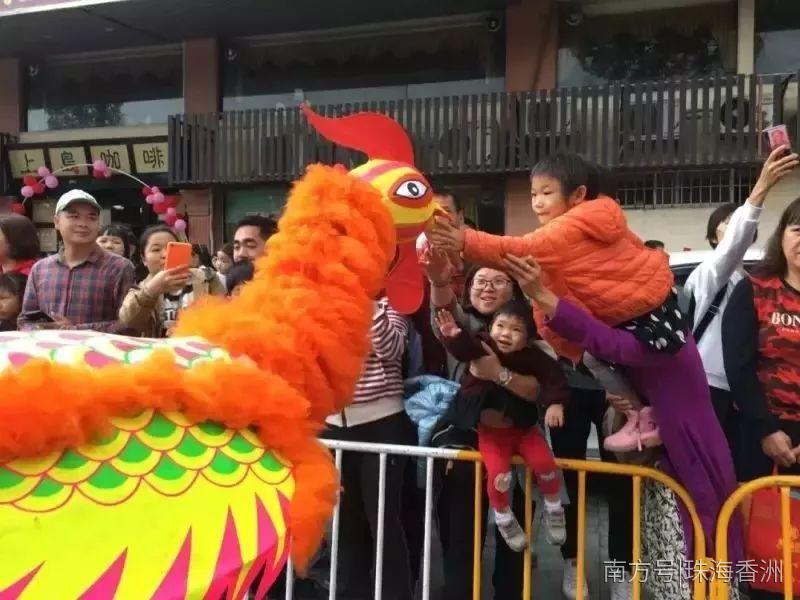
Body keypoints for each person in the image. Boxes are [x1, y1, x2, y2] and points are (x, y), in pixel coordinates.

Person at [505, 253, 743, 593]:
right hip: (667, 460)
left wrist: (543, 295)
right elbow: (600, 350)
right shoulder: (648, 329)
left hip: (693, 450)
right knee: (674, 559)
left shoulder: (665, 335)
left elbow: (607, 343)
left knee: (706, 544)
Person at [422, 253, 547, 600]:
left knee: (515, 538)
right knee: (460, 536)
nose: (487, 289)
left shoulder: (534, 337)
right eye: (480, 281)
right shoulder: (464, 329)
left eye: (498, 282)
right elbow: (443, 309)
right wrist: (438, 280)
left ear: (515, 291)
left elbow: (540, 389)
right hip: (464, 449)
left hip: (519, 448)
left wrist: (499, 374)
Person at [686, 146, 798, 461]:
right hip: (710, 391)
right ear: (712, 236)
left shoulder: (750, 278)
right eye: (728, 222)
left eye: (739, 220)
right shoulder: (710, 274)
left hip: (743, 401)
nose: (737, 226)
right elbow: (733, 246)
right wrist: (760, 189)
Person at [434, 300, 567, 550]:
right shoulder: (482, 345)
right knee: (498, 476)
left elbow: (554, 378)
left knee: (544, 464)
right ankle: (504, 518)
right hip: (491, 434)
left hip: (524, 430)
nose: (505, 333)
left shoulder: (534, 357)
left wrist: (555, 404)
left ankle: (554, 508)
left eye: (515, 329)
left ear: (528, 339)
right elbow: (465, 349)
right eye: (500, 326)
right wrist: (453, 336)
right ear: (490, 327)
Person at [723, 198, 800, 599]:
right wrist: (766, 430)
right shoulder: (754, 289)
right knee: (767, 554)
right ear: (782, 235)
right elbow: (739, 366)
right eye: (797, 229)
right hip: (762, 437)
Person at [321, 296, 416, 600]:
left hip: (383, 422)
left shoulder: (390, 303)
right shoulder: (319, 302)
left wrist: (367, 305)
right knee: (346, 521)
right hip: (334, 425)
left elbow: (393, 349)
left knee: (383, 519)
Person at [18, 190, 135, 332]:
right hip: (47, 346)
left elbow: (129, 323)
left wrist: (74, 330)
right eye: (74, 216)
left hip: (97, 347)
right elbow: (25, 320)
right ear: (56, 221)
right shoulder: (40, 269)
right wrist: (41, 329)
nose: (83, 224)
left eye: (91, 218)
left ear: (98, 224)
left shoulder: (119, 268)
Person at [119, 225, 225, 338]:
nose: (165, 255)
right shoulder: (140, 290)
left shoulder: (207, 278)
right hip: (160, 349)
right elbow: (129, 323)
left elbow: (223, 317)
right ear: (144, 259)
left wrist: (191, 329)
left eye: (171, 247)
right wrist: (150, 291)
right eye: (156, 250)